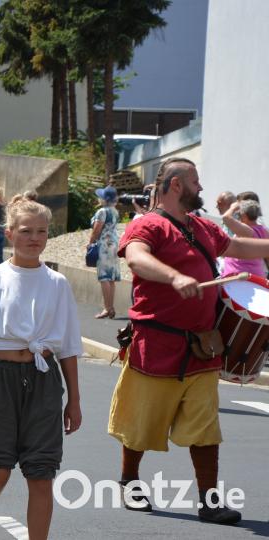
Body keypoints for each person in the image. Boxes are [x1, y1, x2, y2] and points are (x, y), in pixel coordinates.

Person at [108, 157, 269, 524]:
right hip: (157, 344)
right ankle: (130, 482)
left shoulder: (201, 227)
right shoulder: (148, 226)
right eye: (196, 182)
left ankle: (209, 501)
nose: (202, 189)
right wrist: (174, 277)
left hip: (203, 346)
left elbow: (239, 248)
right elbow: (135, 259)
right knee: (140, 426)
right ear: (177, 184)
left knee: (206, 428)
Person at [0, 199, 82, 540]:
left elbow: (68, 348)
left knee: (41, 475)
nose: (34, 238)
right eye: (26, 231)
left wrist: (74, 401)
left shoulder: (57, 283)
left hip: (43, 380)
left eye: (41, 231)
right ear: (9, 234)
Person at [88, 186, 121, 319]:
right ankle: (110, 307)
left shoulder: (102, 211)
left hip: (104, 245)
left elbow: (97, 229)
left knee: (104, 277)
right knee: (111, 278)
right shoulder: (114, 211)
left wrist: (90, 242)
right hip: (113, 243)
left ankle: (107, 308)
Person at [220, 199, 268, 277]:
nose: (238, 218)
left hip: (240, 277)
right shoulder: (264, 231)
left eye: (239, 215)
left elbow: (226, 218)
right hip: (254, 274)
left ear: (244, 216)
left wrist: (232, 208)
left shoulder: (247, 231)